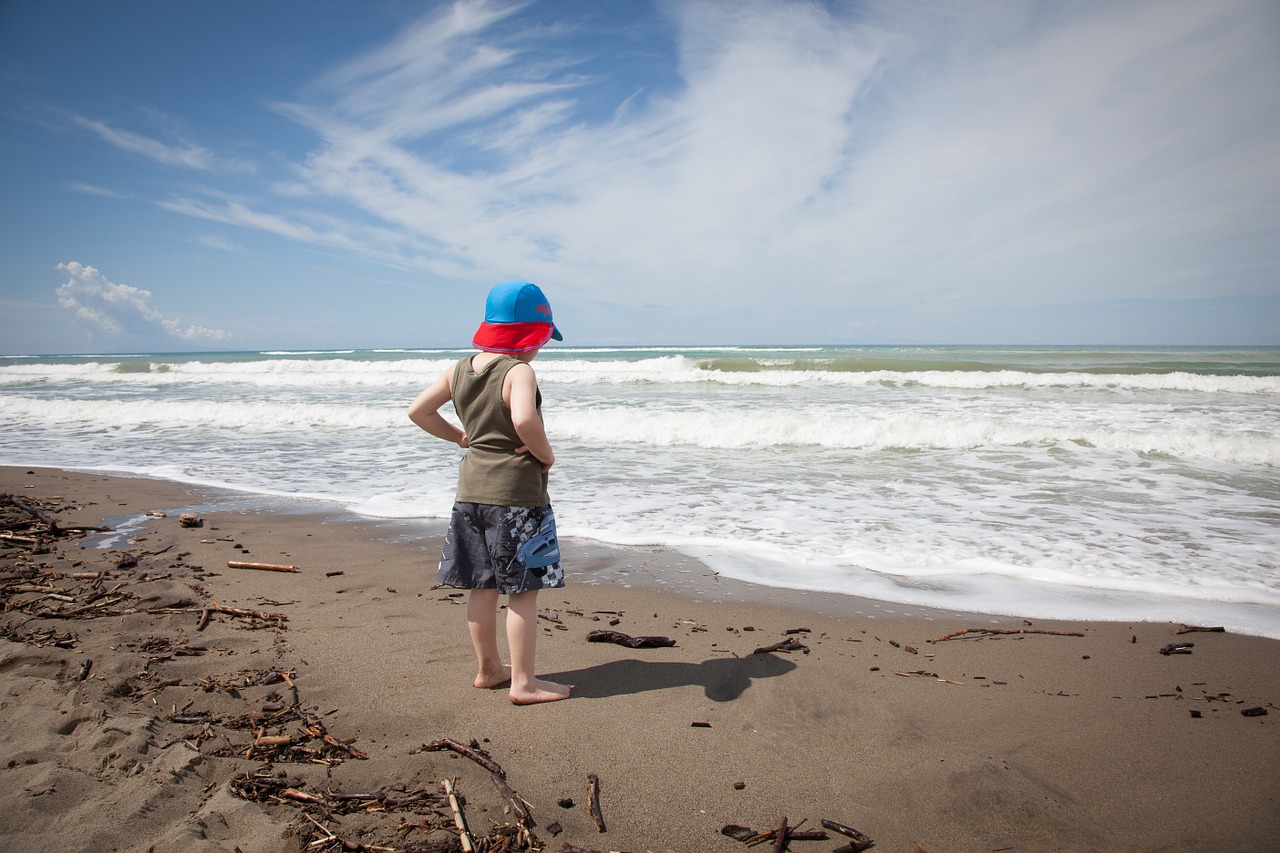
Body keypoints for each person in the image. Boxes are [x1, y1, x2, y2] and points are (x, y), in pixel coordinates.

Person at [407, 280, 572, 704]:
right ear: (531, 335)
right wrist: (546, 455)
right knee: (522, 591)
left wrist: (462, 438)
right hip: (517, 498)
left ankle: (489, 670)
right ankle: (524, 683)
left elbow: (418, 411)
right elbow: (524, 420)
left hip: (470, 496)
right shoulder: (519, 371)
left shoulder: (460, 368)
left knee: (482, 586)